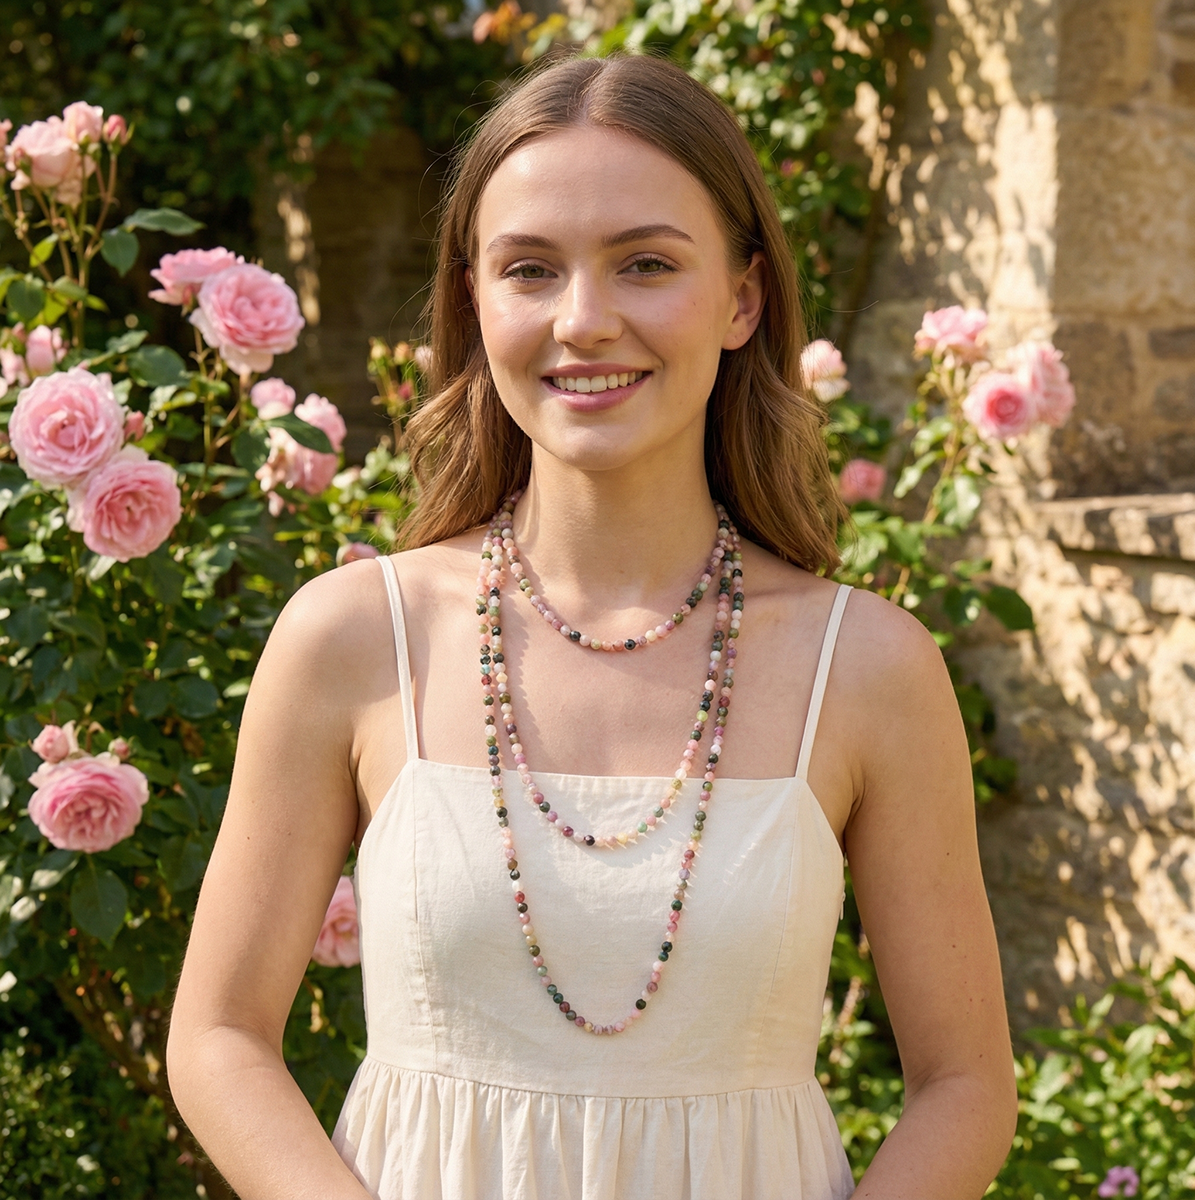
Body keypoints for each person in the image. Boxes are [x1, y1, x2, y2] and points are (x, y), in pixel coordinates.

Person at [167, 52, 1017, 1200]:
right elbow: (218, 1036)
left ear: (743, 299)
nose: (584, 320)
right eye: (529, 269)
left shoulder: (865, 667)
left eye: (646, 264)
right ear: (475, 299)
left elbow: (965, 1086)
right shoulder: (356, 640)